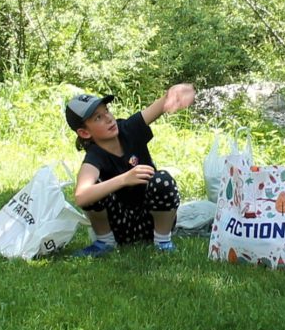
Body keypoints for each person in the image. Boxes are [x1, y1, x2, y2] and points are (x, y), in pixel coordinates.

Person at [68, 86, 196, 255]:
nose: (108, 118)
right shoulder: (95, 156)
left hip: (151, 222)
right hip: (121, 229)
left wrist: (175, 94)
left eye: (106, 111)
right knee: (94, 191)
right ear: (84, 133)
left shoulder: (128, 129)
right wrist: (124, 179)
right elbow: (81, 196)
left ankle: (163, 242)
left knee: (162, 179)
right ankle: (104, 243)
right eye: (98, 117)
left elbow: (159, 106)